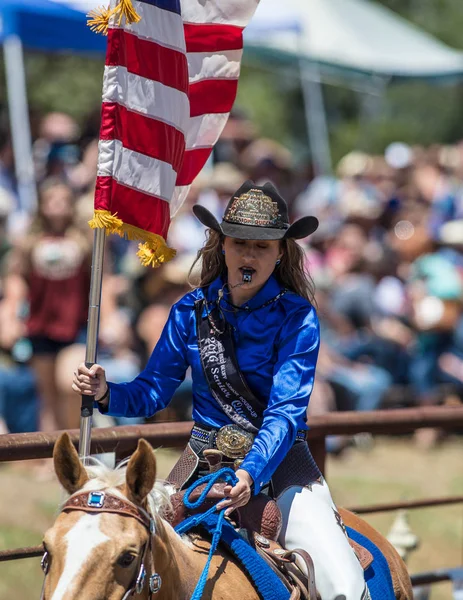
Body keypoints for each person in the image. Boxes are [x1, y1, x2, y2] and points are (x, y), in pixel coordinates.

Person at [72, 181, 370, 600]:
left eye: (263, 246)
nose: (249, 255)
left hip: (282, 467)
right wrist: (106, 393)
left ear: (281, 251)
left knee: (344, 585)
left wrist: (251, 470)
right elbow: (153, 392)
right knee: (119, 547)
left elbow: (286, 413)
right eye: (240, 243)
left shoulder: (297, 317)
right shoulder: (188, 312)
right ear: (222, 244)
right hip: (200, 463)